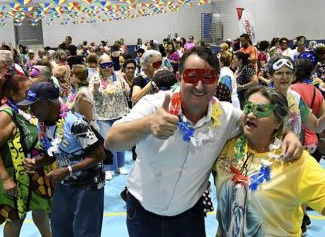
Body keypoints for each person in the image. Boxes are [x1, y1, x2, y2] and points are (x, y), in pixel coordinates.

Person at [105, 46, 302, 237]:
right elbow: (111, 141)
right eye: (192, 76)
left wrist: (289, 134)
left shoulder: (226, 116)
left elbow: (260, 120)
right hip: (143, 211)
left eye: (208, 77)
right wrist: (147, 124)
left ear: (216, 81)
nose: (199, 86)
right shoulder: (155, 104)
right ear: (179, 77)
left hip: (189, 214)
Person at [214, 86, 325, 236]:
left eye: (261, 110)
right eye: (248, 107)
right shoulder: (226, 146)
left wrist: (289, 133)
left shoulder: (297, 161)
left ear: (278, 123)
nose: (251, 114)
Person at [22, 82, 106, 237]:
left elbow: (99, 155)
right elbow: (52, 152)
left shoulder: (75, 123)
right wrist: (38, 162)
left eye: (34, 105)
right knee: (60, 228)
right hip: (64, 184)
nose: (31, 110)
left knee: (85, 232)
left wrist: (68, 170)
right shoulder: (43, 124)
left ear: (48, 103)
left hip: (88, 185)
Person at [0, 72, 52, 237]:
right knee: (15, 219)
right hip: (10, 175)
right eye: (28, 91)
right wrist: (6, 180)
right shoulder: (5, 115)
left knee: (40, 212)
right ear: (13, 94)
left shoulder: (24, 108)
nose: (32, 94)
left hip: (31, 172)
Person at [90, 54, 130, 181]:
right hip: (103, 115)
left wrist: (126, 89)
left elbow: (127, 90)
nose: (107, 68)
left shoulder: (118, 76)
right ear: (99, 67)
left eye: (109, 65)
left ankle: (120, 165)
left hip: (119, 113)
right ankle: (108, 168)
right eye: (104, 65)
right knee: (107, 142)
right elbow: (90, 96)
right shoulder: (95, 78)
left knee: (120, 140)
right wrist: (95, 89)